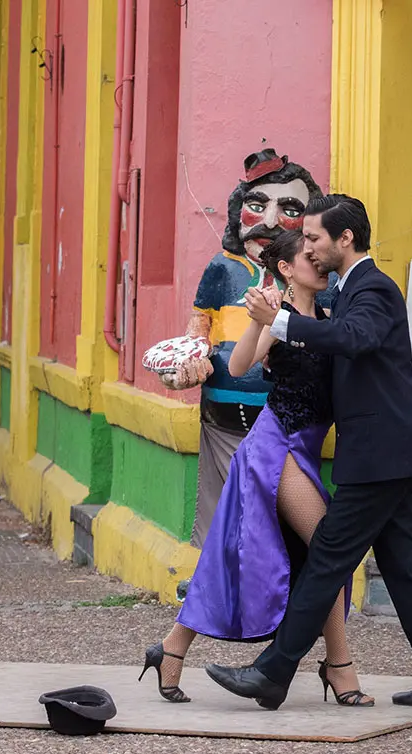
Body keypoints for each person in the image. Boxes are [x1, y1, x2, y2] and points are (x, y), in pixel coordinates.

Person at [205, 195, 412, 711]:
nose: (306, 245)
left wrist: (280, 322)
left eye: (313, 238)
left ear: (344, 239)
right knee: (401, 568)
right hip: (388, 453)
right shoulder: (347, 291)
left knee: (328, 558)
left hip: (379, 456)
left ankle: (273, 671)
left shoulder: (373, 288)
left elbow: (353, 338)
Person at [139, 227, 373, 708]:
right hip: (275, 446)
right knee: (330, 548)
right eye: (310, 257)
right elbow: (243, 364)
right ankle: (339, 665)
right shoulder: (276, 319)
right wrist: (256, 321)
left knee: (252, 555)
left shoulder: (329, 318)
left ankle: (170, 649)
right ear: (286, 269)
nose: (320, 262)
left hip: (305, 452)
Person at [152, 149, 329, 550]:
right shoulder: (222, 268)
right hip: (223, 416)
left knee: (274, 522)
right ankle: (212, 582)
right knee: (222, 507)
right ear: (238, 211)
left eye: (288, 209)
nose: (268, 221)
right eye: (256, 205)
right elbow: (198, 333)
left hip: (286, 426)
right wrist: (186, 365)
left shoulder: (316, 282)